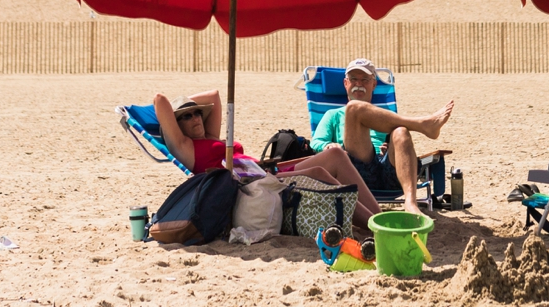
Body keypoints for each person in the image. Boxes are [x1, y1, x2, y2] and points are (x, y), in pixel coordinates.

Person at [150, 90, 393, 219]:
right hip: (253, 185)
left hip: (266, 171)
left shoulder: (211, 138)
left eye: (196, 113)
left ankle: (378, 217)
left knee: (338, 154)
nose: (195, 118)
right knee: (321, 169)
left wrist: (186, 107)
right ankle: (375, 227)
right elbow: (159, 100)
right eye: (186, 116)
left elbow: (214, 95)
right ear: (175, 124)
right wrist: (177, 106)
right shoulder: (186, 148)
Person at [308, 59, 455, 214]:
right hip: (356, 171)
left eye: (365, 80)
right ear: (345, 83)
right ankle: (422, 124)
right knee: (354, 108)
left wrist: (391, 149)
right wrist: (328, 146)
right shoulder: (333, 115)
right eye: (354, 79)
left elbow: (400, 144)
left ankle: (411, 203)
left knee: (401, 132)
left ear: (374, 84)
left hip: (391, 173)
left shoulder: (386, 117)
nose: (359, 83)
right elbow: (316, 142)